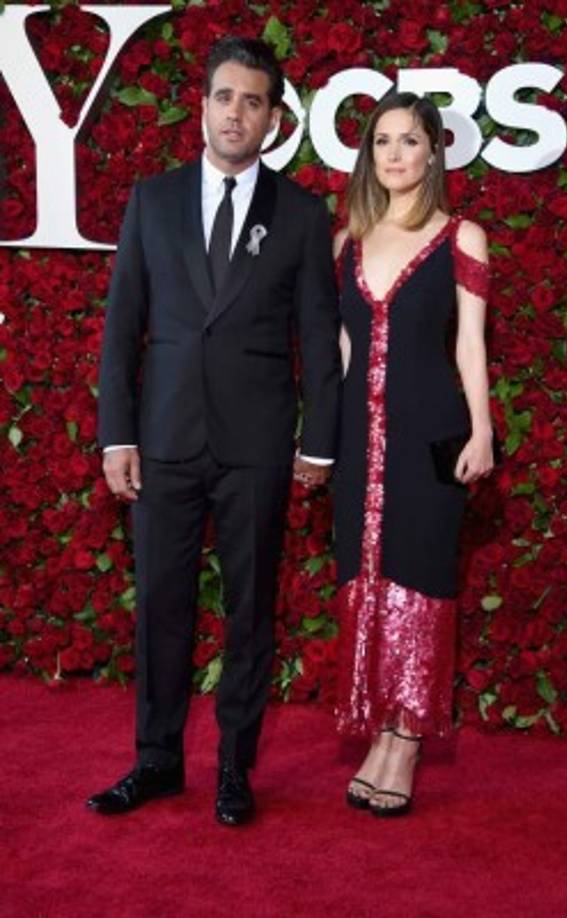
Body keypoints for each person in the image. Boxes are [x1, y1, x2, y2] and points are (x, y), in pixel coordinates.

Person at [88, 36, 340, 826]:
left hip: (256, 448)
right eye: (225, 96)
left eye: (254, 101)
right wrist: (116, 435)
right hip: (161, 442)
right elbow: (123, 327)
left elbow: (319, 336)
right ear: (202, 105)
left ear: (273, 118)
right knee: (161, 605)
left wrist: (318, 442)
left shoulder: (300, 215)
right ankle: (157, 760)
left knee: (250, 612)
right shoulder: (150, 201)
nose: (237, 113)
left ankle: (236, 768)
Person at [332, 91, 493, 817]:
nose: (394, 154)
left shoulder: (464, 236)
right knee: (366, 580)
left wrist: (483, 432)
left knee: (420, 583)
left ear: (434, 152)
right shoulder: (346, 241)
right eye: (383, 142)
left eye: (409, 141)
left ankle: (408, 738)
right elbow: (341, 350)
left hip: (432, 433)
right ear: (370, 155)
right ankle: (377, 730)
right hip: (356, 443)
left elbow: (469, 344)